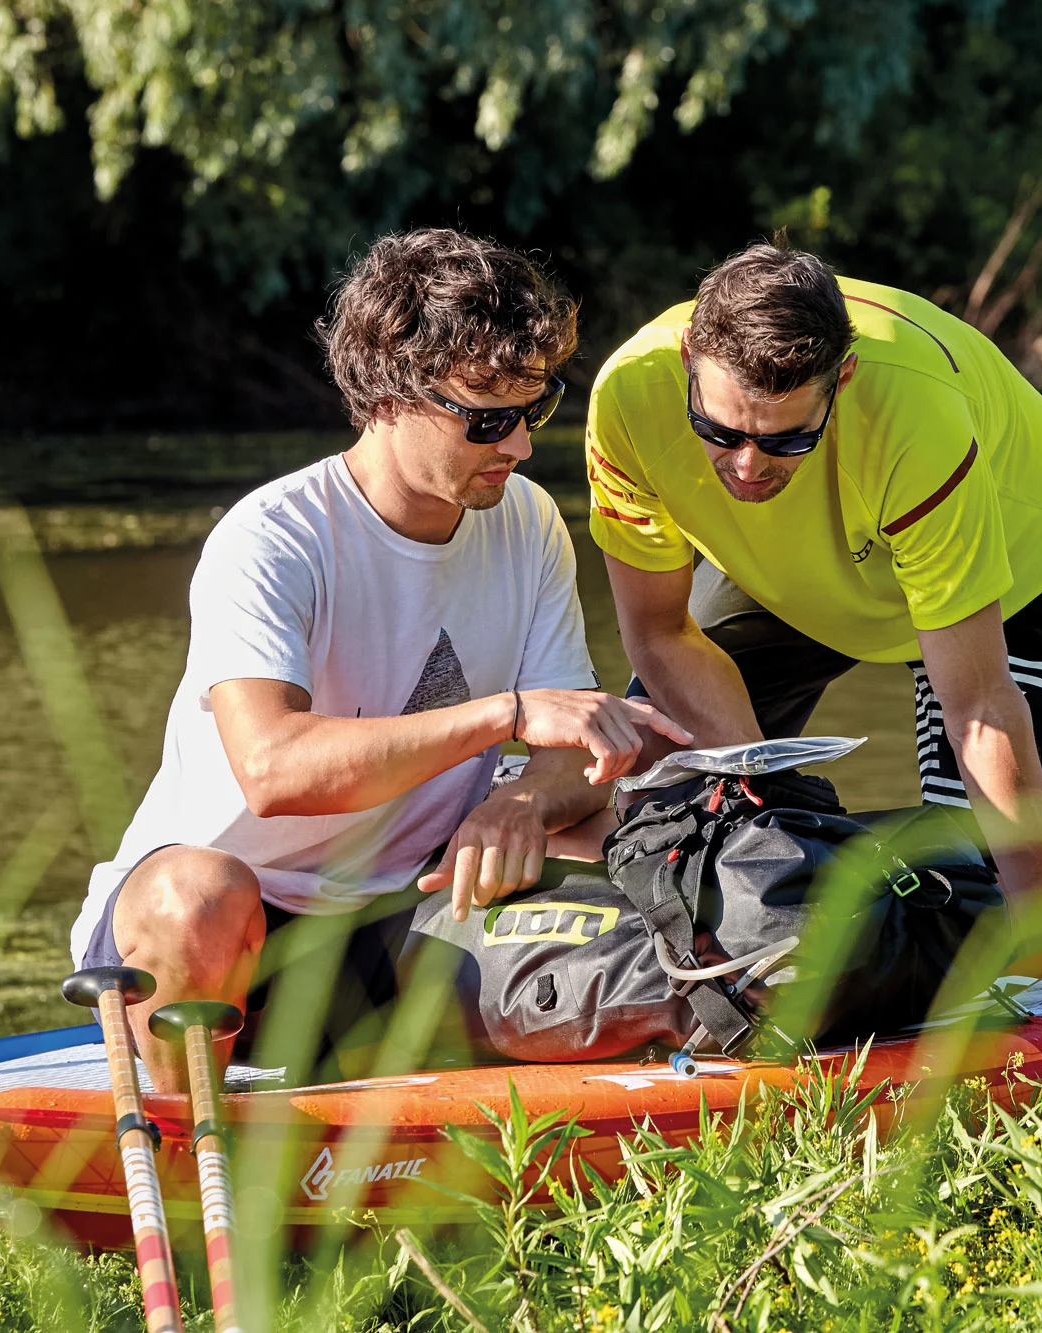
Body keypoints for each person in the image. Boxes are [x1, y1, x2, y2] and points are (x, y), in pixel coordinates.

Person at [68, 229, 691, 1092]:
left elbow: (576, 758)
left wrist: (520, 800)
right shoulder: (272, 538)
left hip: (404, 915)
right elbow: (274, 770)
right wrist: (504, 716)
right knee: (200, 898)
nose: (518, 446)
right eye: (488, 419)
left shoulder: (530, 522)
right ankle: (190, 1130)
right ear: (390, 394)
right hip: (226, 932)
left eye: (534, 409)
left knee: (624, 832)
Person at [584, 242, 1042, 987]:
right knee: (665, 790)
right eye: (720, 432)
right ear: (688, 359)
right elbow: (660, 633)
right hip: (790, 563)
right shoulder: (627, 394)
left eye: (789, 438)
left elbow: (980, 707)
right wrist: (767, 821)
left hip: (1013, 554)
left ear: (842, 378)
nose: (748, 467)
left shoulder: (914, 416)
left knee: (985, 901)